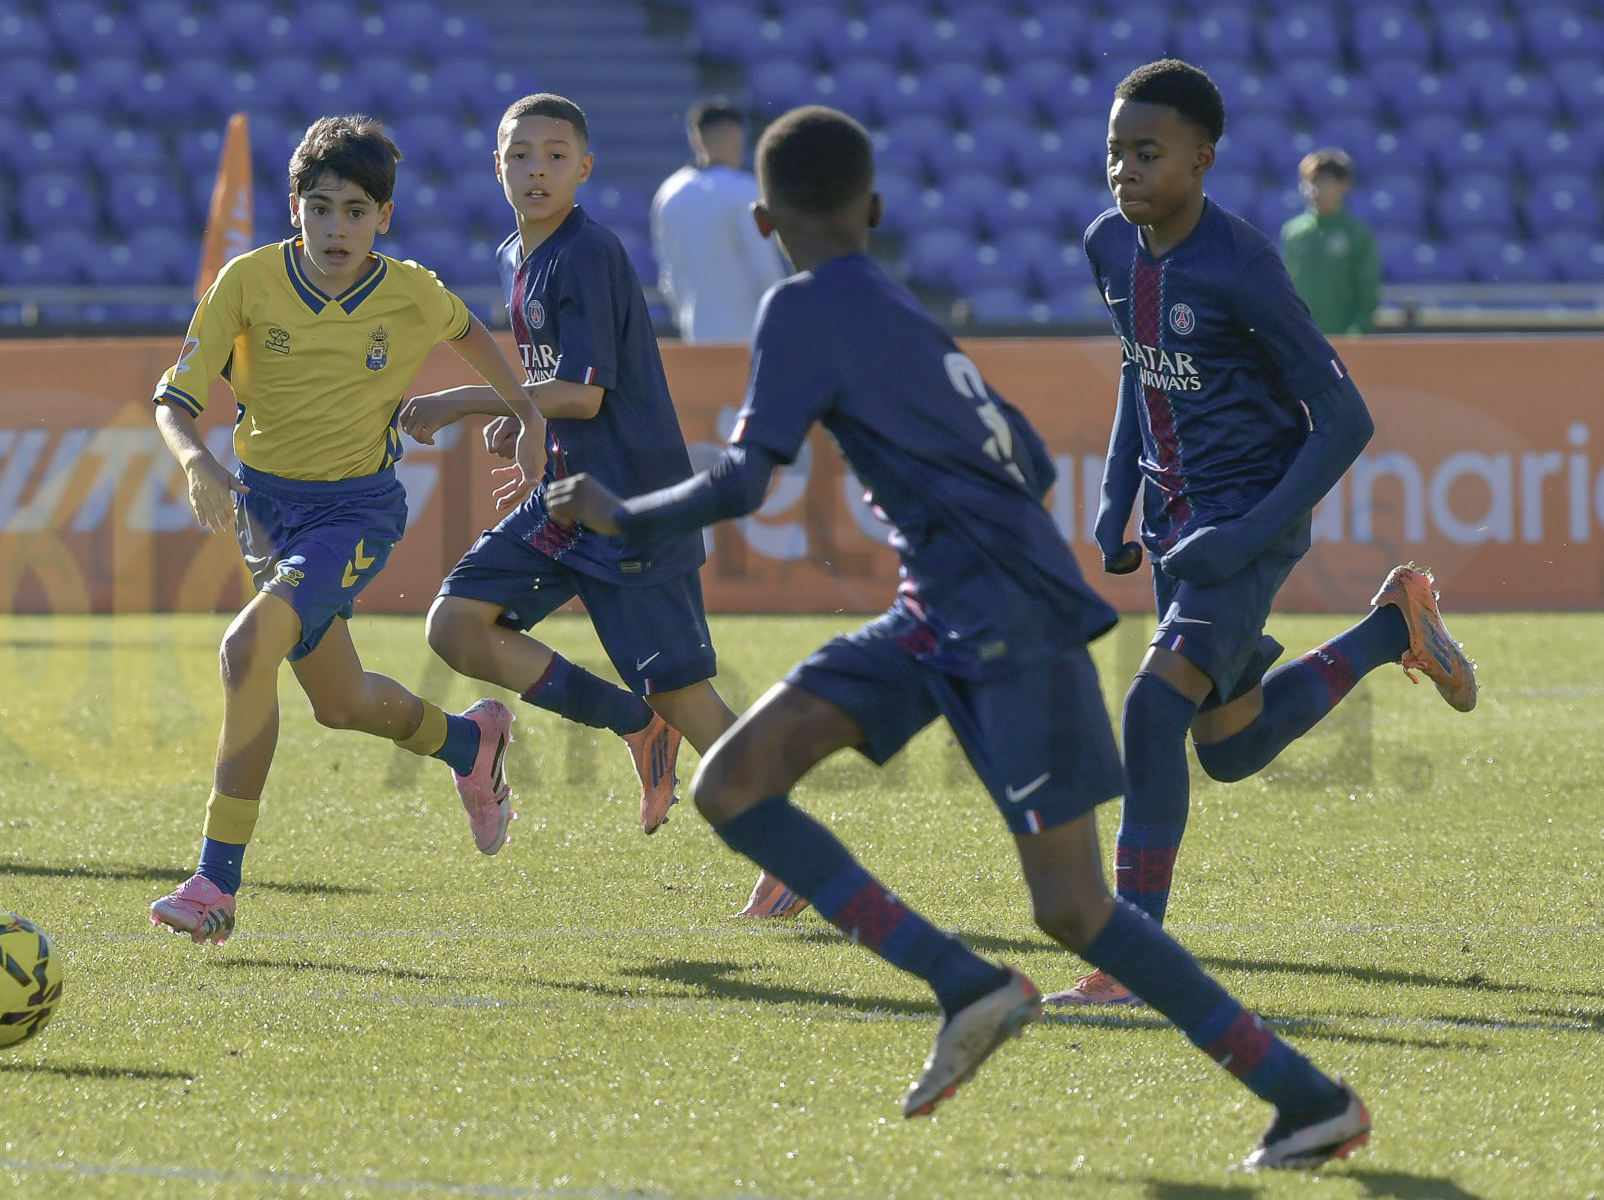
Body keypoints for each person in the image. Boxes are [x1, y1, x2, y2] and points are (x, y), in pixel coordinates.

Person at [547, 104, 1371, 1172]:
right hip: (967, 606)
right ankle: (973, 986)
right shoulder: (901, 306)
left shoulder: (800, 306)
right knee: (743, 785)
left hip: (991, 615)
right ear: (876, 209)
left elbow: (747, 480)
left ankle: (1305, 1096)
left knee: (1065, 904)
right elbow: (1027, 456)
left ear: (762, 222)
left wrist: (620, 514)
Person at [1047, 60, 1476, 1007]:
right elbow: (1139, 367)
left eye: (1148, 153)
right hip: (1176, 522)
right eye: (1115, 151)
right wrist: (1116, 494)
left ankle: (1132, 960)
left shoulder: (1241, 264)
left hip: (1247, 516)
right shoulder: (1108, 244)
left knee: (1150, 711)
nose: (1124, 170)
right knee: (1229, 747)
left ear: (1201, 161)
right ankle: (1392, 630)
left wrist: (1244, 538)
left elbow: (1346, 420)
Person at [147, 115, 549, 944]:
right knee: (340, 702)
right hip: (265, 514)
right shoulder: (247, 282)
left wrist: (527, 413)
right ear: (295, 209)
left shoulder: (410, 292)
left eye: (356, 211)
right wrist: (196, 462)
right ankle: (471, 744)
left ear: (383, 217)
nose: (337, 228)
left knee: (245, 651)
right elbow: (173, 401)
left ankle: (215, 884)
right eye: (321, 208)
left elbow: (470, 334)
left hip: (355, 513)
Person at [396, 93, 742, 850]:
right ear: (497, 167)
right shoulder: (515, 256)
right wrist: (525, 422)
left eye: (555, 156)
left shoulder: (588, 252)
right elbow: (552, 387)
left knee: (688, 697)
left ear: (584, 169)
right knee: (457, 624)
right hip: (564, 499)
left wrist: (463, 400)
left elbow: (583, 395)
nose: (537, 170)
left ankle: (789, 854)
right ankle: (635, 723)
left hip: (630, 506)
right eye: (520, 156)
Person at [649, 96, 788, 343]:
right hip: (750, 339)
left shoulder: (668, 194)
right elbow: (765, 268)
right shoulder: (744, 189)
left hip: (696, 337)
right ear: (736, 136)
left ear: (695, 139)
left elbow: (668, 276)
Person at [1280, 147, 1381, 336]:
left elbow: (1367, 291)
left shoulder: (1357, 233)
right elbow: (1285, 288)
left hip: (1342, 337)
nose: (1314, 189)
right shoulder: (1293, 232)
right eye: (1310, 182)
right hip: (1301, 337)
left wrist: (1356, 331)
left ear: (1344, 185)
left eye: (1324, 182)